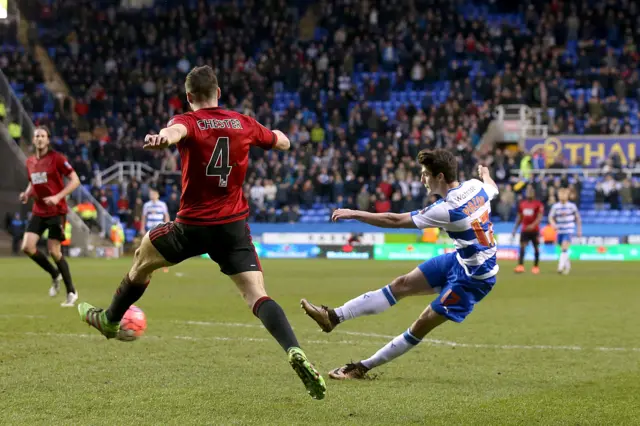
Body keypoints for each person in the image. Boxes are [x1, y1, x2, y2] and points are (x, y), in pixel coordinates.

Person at [77, 65, 326, 400]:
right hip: (233, 228)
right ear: (219, 92)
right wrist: (280, 137)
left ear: (189, 96)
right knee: (256, 294)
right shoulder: (242, 122)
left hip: (192, 227)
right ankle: (293, 349)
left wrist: (162, 138)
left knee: (142, 259)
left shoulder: (188, 121)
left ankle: (109, 319)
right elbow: (281, 141)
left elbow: (175, 132)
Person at [301, 150, 499, 380]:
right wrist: (485, 173)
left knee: (422, 323)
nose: (422, 179)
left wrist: (354, 213)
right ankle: (333, 317)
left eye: (426, 174)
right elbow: (491, 185)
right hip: (460, 260)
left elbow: (393, 220)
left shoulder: (447, 209)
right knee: (401, 283)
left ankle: (361, 368)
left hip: (475, 279)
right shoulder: (477, 186)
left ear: (441, 177)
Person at [20, 126, 80, 307]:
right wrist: (26, 194)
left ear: (48, 140)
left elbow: (75, 180)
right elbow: (33, 182)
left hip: (56, 211)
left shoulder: (57, 159)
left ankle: (72, 292)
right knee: (27, 247)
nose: (39, 138)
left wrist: (57, 197)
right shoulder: (30, 161)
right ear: (33, 140)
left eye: (42, 136)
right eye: (36, 135)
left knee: (54, 251)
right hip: (39, 210)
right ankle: (55, 275)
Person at [548, 188, 581, 275]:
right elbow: (550, 217)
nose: (562, 196)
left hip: (569, 229)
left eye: (564, 194)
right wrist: (553, 224)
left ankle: (560, 266)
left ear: (567, 196)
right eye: (560, 194)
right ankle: (567, 265)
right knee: (562, 248)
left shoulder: (572, 206)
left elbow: (577, 218)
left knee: (564, 247)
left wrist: (579, 230)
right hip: (560, 230)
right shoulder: (555, 206)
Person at [512, 185, 544, 274]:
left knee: (536, 248)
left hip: (535, 231)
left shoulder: (538, 204)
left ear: (534, 193)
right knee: (522, 247)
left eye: (531, 191)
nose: (529, 193)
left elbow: (539, 217)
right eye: (527, 191)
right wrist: (515, 229)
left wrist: (533, 225)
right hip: (524, 230)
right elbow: (520, 217)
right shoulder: (522, 204)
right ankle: (520, 266)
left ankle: (536, 267)